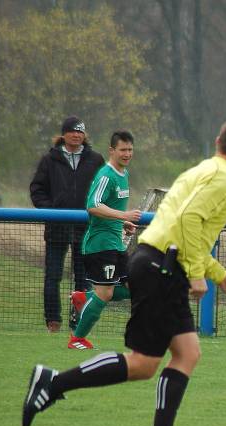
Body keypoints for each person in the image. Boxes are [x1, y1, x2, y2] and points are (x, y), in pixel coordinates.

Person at [22, 118, 226, 426]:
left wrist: (220, 275)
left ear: (218, 141)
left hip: (158, 261)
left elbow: (180, 227)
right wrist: (197, 274)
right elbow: (190, 221)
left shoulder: (202, 170)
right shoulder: (223, 179)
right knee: (143, 363)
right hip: (162, 267)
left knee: (187, 353)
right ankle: (53, 383)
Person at [68, 130, 142, 350]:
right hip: (100, 244)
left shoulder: (124, 174)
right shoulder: (106, 175)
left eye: (130, 149)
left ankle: (84, 298)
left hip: (115, 242)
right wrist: (124, 216)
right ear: (112, 151)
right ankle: (77, 339)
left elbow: (111, 208)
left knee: (133, 287)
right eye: (123, 149)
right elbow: (93, 205)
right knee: (106, 292)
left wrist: (122, 223)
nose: (127, 154)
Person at [30, 116, 105, 333]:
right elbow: (37, 189)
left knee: (83, 279)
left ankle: (77, 323)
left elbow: (104, 190)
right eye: (72, 131)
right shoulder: (49, 160)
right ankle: (53, 322)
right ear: (64, 134)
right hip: (57, 227)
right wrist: (51, 209)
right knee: (53, 276)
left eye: (80, 132)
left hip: (86, 228)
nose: (76, 135)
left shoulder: (95, 160)